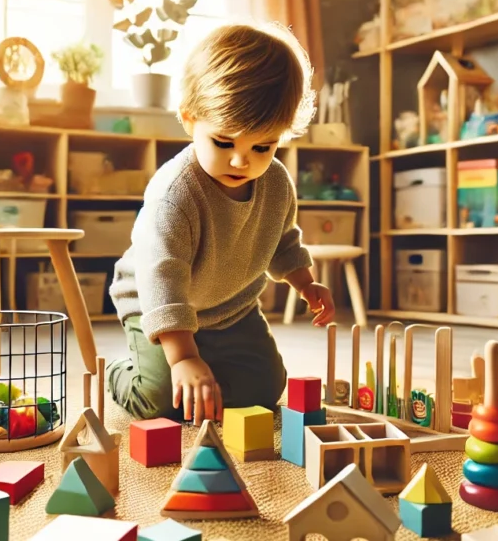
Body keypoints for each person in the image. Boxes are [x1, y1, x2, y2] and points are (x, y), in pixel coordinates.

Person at [107, 22, 335, 426]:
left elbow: (283, 239)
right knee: (160, 399)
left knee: (264, 388)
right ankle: (119, 373)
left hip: (231, 309)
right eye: (224, 142)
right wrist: (183, 357)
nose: (240, 161)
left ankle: (204, 363)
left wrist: (304, 282)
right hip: (157, 306)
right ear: (190, 119)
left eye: (262, 146)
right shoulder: (174, 195)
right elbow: (162, 276)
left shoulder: (276, 182)